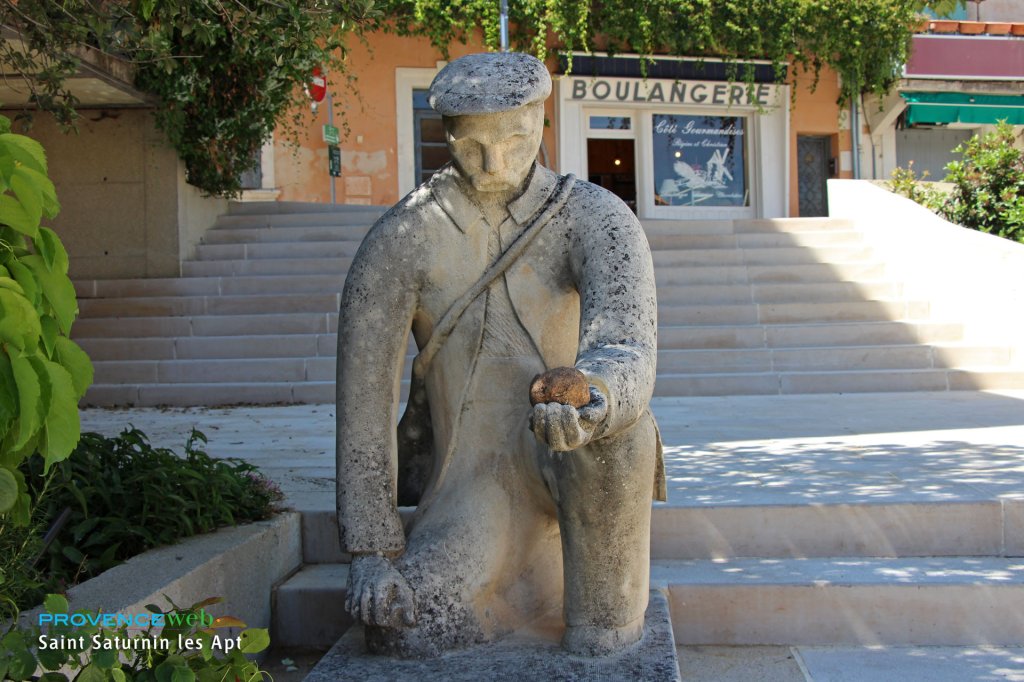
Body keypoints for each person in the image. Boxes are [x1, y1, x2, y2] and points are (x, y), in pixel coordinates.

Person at [336, 51, 664, 658]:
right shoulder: (401, 240)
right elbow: (362, 406)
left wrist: (595, 398)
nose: (497, 164)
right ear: (446, 136)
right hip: (472, 484)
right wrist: (370, 554)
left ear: (541, 122)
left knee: (620, 430)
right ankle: (526, 575)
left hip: (568, 459)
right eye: (473, 146)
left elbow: (625, 344)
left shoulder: (591, 217)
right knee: (402, 628)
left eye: (517, 140)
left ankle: (606, 629)